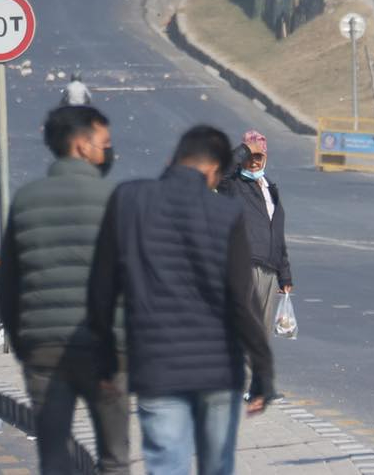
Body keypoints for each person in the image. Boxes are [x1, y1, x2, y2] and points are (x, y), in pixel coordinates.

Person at [87, 125, 272, 475]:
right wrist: (263, 369)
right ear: (214, 170)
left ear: (173, 159)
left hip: (158, 367)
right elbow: (240, 300)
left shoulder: (128, 199)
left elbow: (102, 289)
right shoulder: (226, 214)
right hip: (219, 370)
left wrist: (105, 358)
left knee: (166, 466)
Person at [0, 104, 127, 475]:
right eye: (104, 143)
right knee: (114, 457)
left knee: (54, 458)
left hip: (44, 350)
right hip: (106, 352)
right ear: (82, 146)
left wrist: (22, 344)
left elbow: (8, 284)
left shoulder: (25, 200)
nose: (108, 151)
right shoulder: (115, 200)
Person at [219, 130, 291, 377]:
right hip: (244, 265)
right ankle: (238, 382)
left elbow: (276, 233)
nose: (254, 162)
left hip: (269, 269)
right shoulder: (233, 185)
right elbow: (222, 171)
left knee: (261, 332)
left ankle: (253, 384)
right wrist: (245, 150)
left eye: (259, 157)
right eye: (250, 157)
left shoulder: (270, 188)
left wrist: (285, 275)